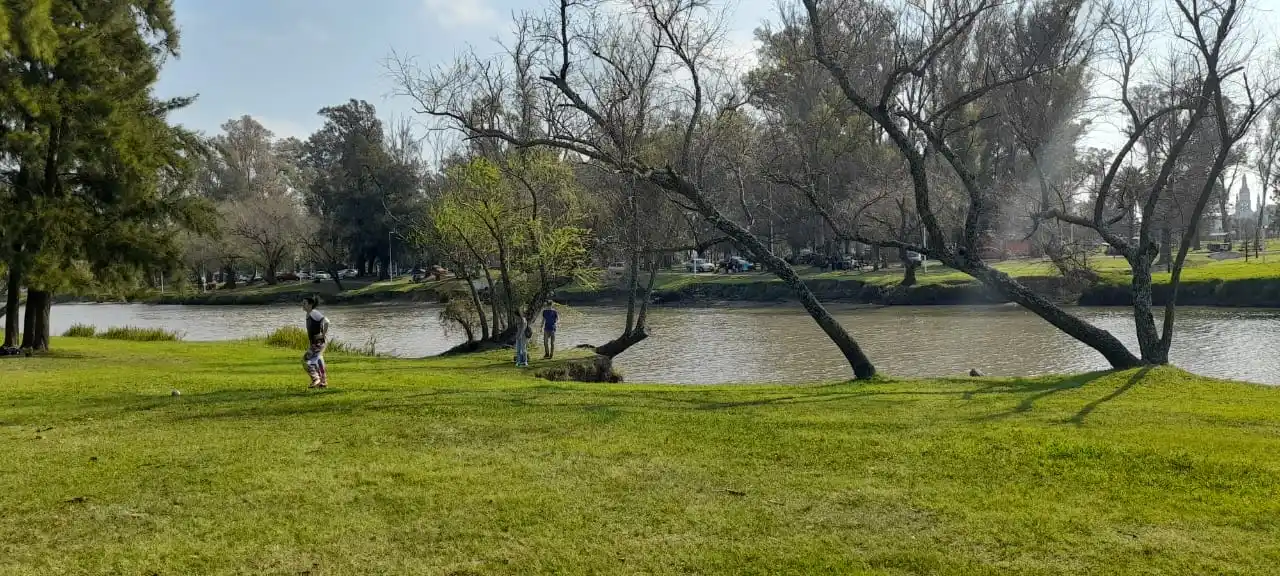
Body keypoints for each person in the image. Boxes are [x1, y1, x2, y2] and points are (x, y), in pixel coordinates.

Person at [302, 296, 331, 388]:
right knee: (319, 360)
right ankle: (323, 381)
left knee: (305, 360)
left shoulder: (314, 313)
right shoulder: (310, 314)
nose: (302, 305)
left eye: (304, 303)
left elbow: (326, 321)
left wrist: (323, 334)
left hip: (318, 342)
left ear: (310, 305)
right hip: (317, 342)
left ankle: (316, 379)